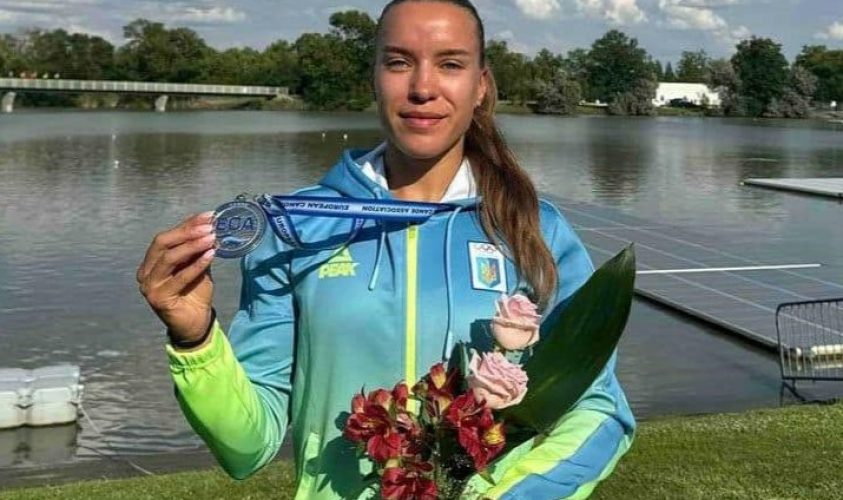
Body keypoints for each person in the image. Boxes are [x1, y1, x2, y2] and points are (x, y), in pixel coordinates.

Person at [137, 1, 635, 498]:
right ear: (373, 78)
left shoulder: (534, 229)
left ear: (480, 85)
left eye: (450, 64)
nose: (423, 87)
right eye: (399, 62)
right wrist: (196, 339)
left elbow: (598, 409)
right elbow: (248, 447)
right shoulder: (296, 228)